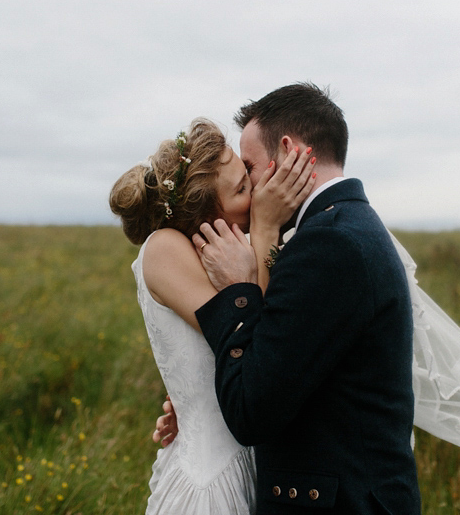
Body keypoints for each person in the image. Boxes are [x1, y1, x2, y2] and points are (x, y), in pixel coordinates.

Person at [187, 83, 422, 513]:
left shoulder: (329, 245)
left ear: (289, 151)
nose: (252, 186)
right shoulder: (344, 226)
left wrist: (239, 290)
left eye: (251, 166)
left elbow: (251, 411)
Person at [109, 117, 317, 514]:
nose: (256, 190)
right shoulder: (164, 248)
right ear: (203, 217)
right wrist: (268, 225)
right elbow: (255, 335)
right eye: (241, 189)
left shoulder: (240, 247)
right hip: (212, 484)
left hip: (258, 463)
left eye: (246, 174)